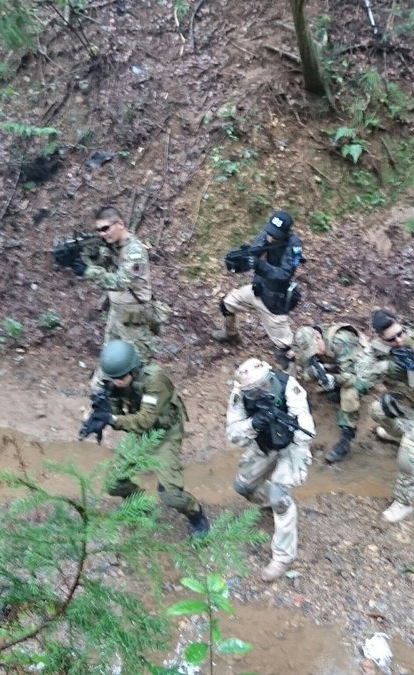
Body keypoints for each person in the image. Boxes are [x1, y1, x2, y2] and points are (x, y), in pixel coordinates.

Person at [80, 340, 210, 537]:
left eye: (120, 378)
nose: (115, 382)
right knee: (113, 483)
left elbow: (144, 420)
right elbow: (117, 412)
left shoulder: (155, 381)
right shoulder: (115, 382)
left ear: (132, 370)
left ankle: (196, 515)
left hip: (165, 433)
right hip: (141, 434)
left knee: (171, 496)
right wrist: (100, 413)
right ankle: (139, 504)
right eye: (112, 378)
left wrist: (112, 419)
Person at [355, 309, 414, 523]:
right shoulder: (377, 348)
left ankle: (402, 502)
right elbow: (361, 373)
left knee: (408, 452)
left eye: (400, 334)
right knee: (376, 411)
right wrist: (387, 367)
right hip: (404, 401)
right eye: (391, 338)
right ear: (380, 337)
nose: (398, 340)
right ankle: (398, 435)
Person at [226, 358, 315, 582]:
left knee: (280, 498)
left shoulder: (287, 386)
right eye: (256, 389)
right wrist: (254, 424)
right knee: (243, 487)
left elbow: (304, 426)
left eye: (266, 384)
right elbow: (233, 433)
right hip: (263, 443)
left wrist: (289, 434)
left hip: (291, 445)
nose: (264, 390)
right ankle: (269, 504)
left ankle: (283, 557)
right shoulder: (240, 395)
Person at [56, 206, 158, 385]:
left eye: (105, 228)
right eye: (99, 230)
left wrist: (87, 271)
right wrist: (75, 260)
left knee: (139, 362)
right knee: (110, 355)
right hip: (117, 311)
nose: (102, 234)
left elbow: (120, 281)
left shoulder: (135, 251)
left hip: (135, 314)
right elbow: (102, 262)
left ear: (120, 224)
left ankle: (142, 401)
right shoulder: (113, 246)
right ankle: (102, 390)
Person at [211, 211, 303, 369]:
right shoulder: (268, 235)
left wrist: (259, 265)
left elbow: (284, 275)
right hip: (257, 290)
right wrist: (241, 260)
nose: (270, 237)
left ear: (286, 233)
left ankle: (290, 384)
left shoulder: (293, 246)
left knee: (284, 350)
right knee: (227, 304)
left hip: (275, 303)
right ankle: (231, 335)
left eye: (275, 235)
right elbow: (255, 251)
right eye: (270, 232)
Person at [291, 324, 366, 464]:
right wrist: (316, 371)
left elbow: (351, 377)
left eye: (314, 349)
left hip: (361, 372)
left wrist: (334, 379)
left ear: (318, 337)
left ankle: (346, 438)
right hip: (340, 367)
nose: (316, 354)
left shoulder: (341, 342)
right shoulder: (310, 343)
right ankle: (336, 389)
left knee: (349, 394)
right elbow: (306, 369)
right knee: (311, 376)